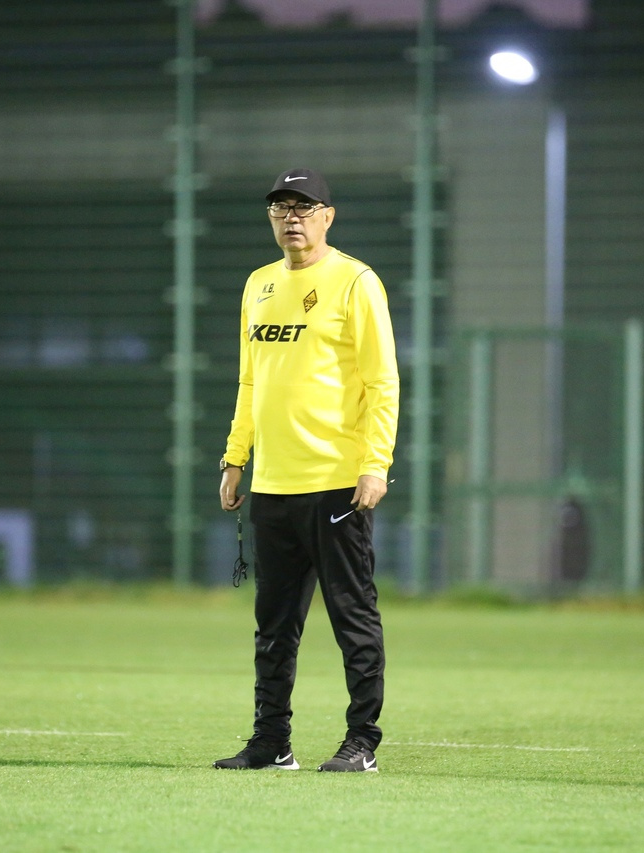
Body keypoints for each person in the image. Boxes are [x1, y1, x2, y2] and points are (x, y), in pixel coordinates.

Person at [214, 168, 400, 773]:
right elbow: (250, 381)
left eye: (303, 207)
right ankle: (272, 742)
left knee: (352, 617)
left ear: (328, 216)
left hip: (338, 484)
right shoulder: (259, 284)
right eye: (280, 208)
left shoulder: (355, 281)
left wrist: (375, 464)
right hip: (273, 484)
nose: (290, 217)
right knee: (273, 625)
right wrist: (235, 457)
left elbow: (382, 383)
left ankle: (362, 743)